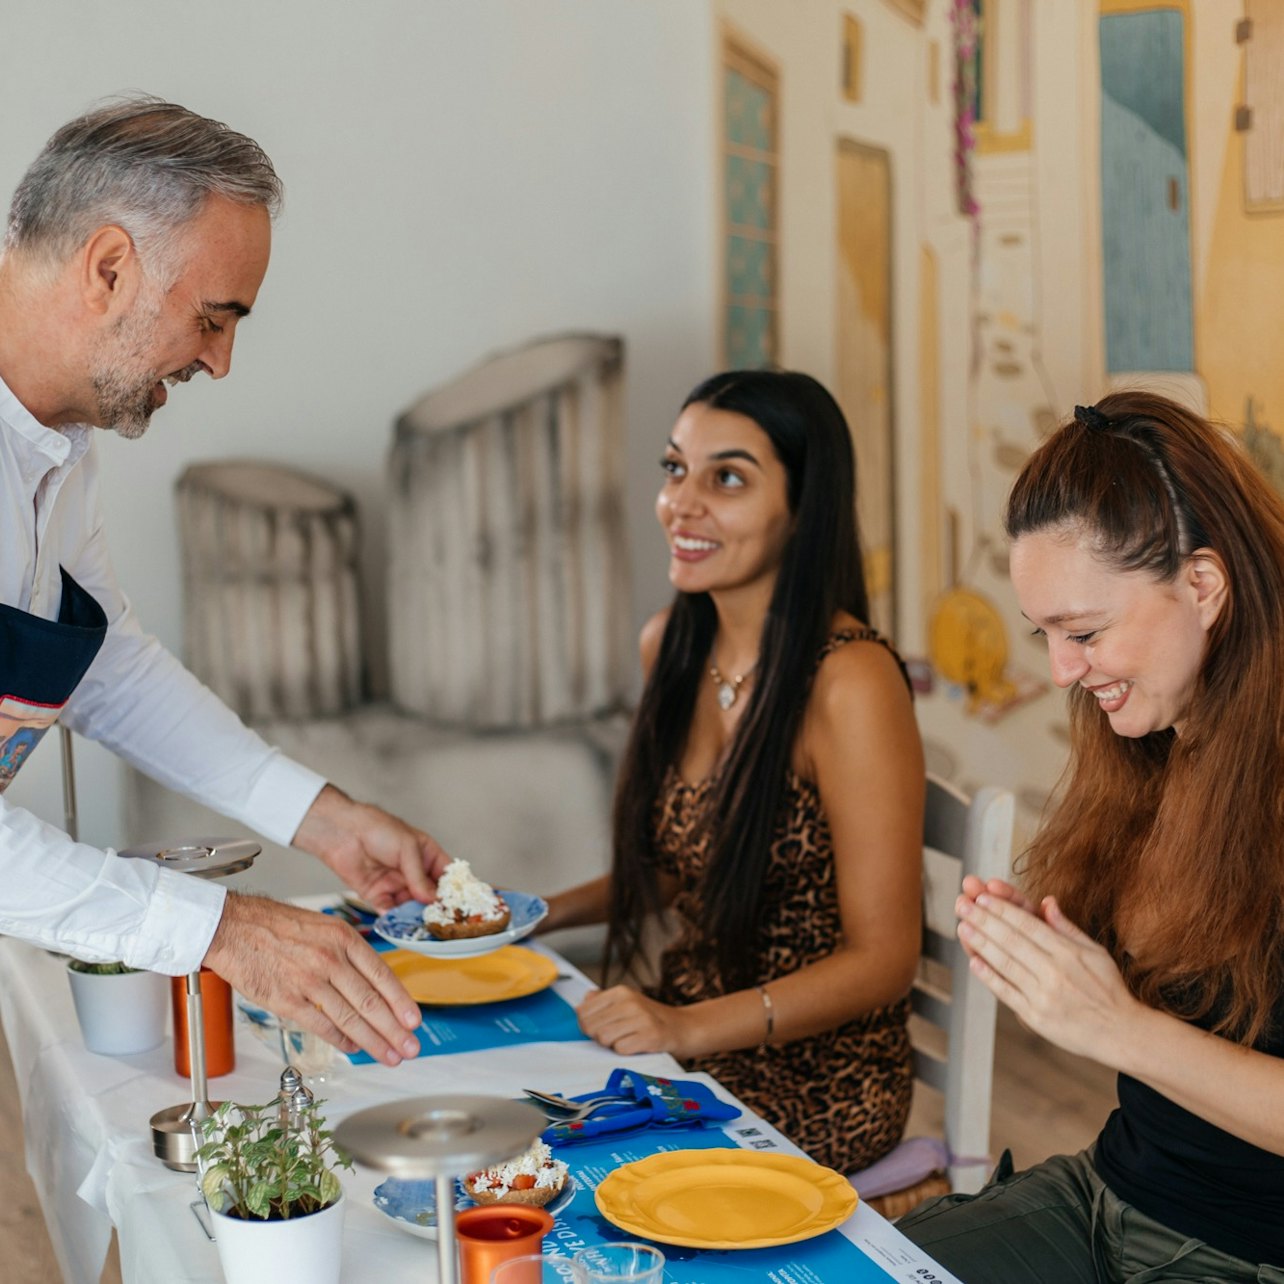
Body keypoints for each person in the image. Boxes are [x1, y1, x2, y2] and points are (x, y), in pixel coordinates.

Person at [0, 95, 451, 1067]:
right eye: (211, 319)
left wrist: (322, 820)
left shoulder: (56, 445)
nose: (220, 359)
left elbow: (108, 665)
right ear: (109, 267)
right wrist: (218, 929)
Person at [897, 391, 1284, 1280]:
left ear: (1203, 586)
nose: (1063, 669)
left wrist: (1113, 1024)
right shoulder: (1158, 744)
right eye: (1046, 634)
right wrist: (1056, 955)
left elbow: (1135, 1032)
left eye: (1085, 632)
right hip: (1109, 1192)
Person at [542, 369, 925, 1172]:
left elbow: (885, 961)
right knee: (496, 1114)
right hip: (688, 1042)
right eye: (675, 468)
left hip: (817, 1077)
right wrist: (527, 915)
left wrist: (683, 1027)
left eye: (727, 479)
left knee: (573, 1174)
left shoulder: (849, 681)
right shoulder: (673, 645)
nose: (681, 503)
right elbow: (678, 868)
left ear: (803, 507)